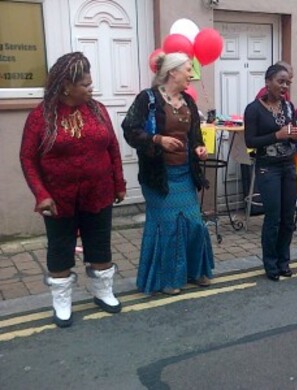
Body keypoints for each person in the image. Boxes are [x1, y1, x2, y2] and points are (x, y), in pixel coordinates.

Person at [20, 52, 126, 327]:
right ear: (67, 86)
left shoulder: (99, 110)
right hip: (58, 199)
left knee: (100, 243)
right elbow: (27, 158)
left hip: (98, 192)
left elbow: (112, 147)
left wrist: (119, 183)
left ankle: (103, 292)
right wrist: (41, 194)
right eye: (86, 85)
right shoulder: (40, 116)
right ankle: (62, 300)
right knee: (60, 248)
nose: (91, 89)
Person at [122, 52, 214, 295]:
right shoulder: (148, 99)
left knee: (195, 224)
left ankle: (194, 271)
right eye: (187, 71)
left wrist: (198, 147)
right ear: (172, 72)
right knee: (169, 226)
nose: (191, 76)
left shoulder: (188, 102)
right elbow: (130, 130)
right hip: (159, 177)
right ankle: (166, 279)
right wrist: (157, 139)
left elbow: (195, 135)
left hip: (184, 173)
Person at [245, 64, 297, 281]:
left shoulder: (288, 106)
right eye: (280, 81)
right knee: (274, 218)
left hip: (288, 165)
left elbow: (291, 129)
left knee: (288, 218)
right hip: (268, 167)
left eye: (288, 83)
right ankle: (270, 264)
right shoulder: (254, 109)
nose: (285, 86)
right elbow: (250, 141)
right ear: (268, 82)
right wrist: (276, 136)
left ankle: (284, 261)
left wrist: (295, 134)